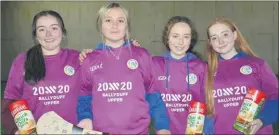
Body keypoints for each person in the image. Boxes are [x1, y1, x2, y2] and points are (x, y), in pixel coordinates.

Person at [79, 16, 213, 134]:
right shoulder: (153, 62)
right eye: (175, 36)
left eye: (186, 37)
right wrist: (95, 51)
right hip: (160, 130)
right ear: (167, 38)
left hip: (192, 131)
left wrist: (200, 131)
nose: (180, 42)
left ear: (191, 39)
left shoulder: (200, 67)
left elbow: (204, 103)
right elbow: (119, 56)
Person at [76, 2, 170, 134]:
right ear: (100, 25)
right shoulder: (89, 60)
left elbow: (153, 94)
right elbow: (84, 95)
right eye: (108, 20)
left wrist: (162, 127)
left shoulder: (141, 55)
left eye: (120, 20)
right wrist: (85, 117)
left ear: (127, 26)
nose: (115, 25)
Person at [2, 10, 81, 134]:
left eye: (54, 28)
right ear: (35, 36)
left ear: (63, 32)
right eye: (42, 29)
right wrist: (17, 130)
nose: (48, 34)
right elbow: (12, 100)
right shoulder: (22, 61)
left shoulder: (78, 58)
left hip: (72, 131)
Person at [205, 18, 278, 134]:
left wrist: (262, 119)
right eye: (214, 37)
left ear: (234, 35)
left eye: (225, 34)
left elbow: (276, 98)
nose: (220, 41)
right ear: (210, 42)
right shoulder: (205, 71)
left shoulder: (257, 64)